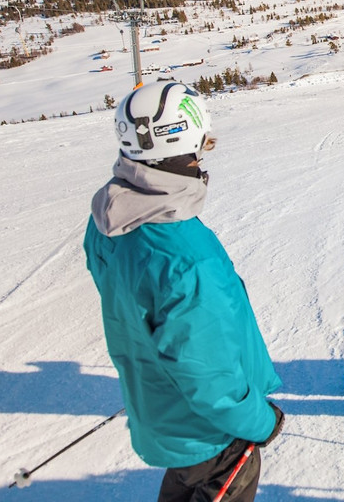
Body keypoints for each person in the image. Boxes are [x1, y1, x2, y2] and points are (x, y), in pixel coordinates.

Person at [84, 82, 283, 502]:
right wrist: (260, 422)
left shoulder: (110, 221)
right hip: (214, 432)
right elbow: (211, 379)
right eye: (200, 147)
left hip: (163, 408)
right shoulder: (187, 261)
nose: (201, 159)